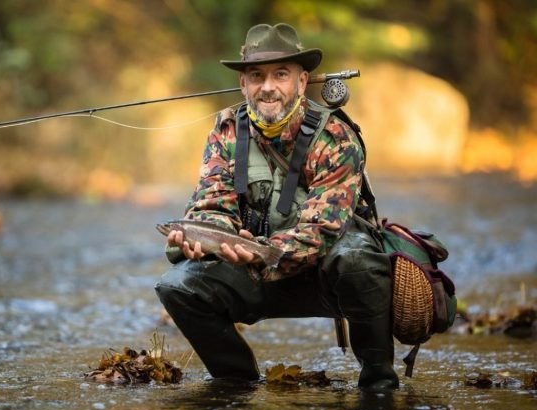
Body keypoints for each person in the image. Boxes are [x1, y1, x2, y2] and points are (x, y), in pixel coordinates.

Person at [154, 23, 399, 389]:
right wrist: (202, 240)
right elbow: (211, 204)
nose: (267, 87)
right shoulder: (225, 131)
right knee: (178, 285)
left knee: (359, 259)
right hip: (251, 271)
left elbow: (324, 230)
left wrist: (260, 253)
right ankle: (234, 382)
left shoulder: (336, 137)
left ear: (302, 82)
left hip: (325, 276)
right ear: (243, 84)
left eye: (280, 74)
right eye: (257, 76)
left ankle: (378, 383)